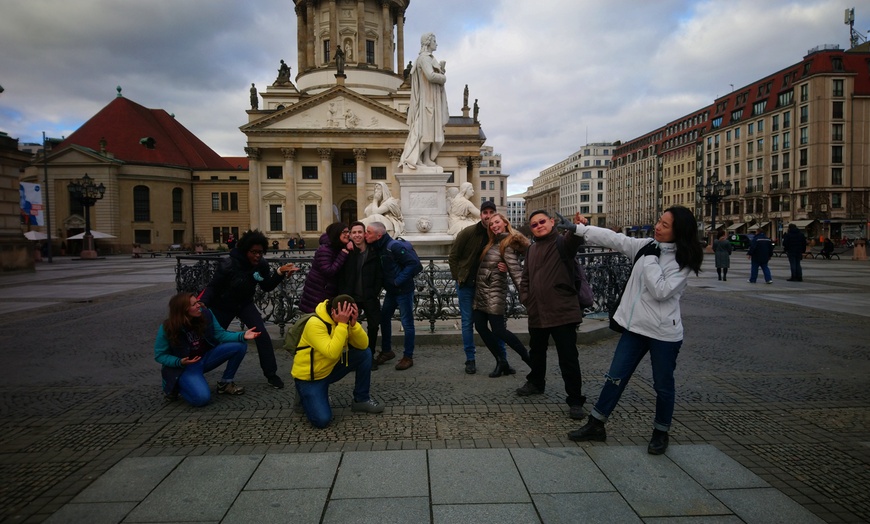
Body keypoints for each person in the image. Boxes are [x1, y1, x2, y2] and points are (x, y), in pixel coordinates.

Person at [564, 206, 704, 455]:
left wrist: (649, 259)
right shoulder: (647, 245)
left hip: (664, 334)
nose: (658, 227)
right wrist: (579, 229)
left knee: (663, 385)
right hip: (635, 328)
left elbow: (661, 291)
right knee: (615, 377)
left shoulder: (683, 261)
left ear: (679, 231)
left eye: (665, 225)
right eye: (659, 221)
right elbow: (615, 239)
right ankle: (597, 423)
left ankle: (661, 431)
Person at [200, 230, 299, 389]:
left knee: (262, 335)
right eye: (254, 252)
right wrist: (202, 302)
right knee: (210, 339)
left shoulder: (261, 265)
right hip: (222, 305)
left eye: (260, 252)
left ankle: (271, 374)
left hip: (244, 304)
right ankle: (191, 370)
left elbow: (266, 286)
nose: (258, 256)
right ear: (245, 250)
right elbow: (212, 287)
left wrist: (280, 272)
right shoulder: (229, 264)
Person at [516, 210, 587, 420]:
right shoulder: (531, 250)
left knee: (568, 358)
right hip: (537, 310)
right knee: (537, 351)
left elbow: (574, 240)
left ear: (552, 222)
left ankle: (575, 400)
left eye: (542, 222)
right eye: (534, 224)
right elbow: (526, 277)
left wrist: (577, 227)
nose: (538, 226)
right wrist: (526, 298)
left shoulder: (562, 242)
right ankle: (536, 382)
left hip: (562, 311)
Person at [292, 295, 384, 428]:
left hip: (329, 369)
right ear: (334, 312)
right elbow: (331, 352)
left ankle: (361, 399)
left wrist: (353, 325)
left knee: (365, 354)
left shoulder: (345, 322)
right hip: (311, 377)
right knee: (322, 420)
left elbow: (364, 345)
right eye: (346, 316)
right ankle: (302, 396)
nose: (347, 319)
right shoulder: (315, 323)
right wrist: (341, 324)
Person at [154, 292, 260, 406]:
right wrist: (179, 362)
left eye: (197, 302)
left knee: (239, 345)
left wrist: (242, 335)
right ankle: (176, 386)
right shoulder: (168, 327)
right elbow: (160, 355)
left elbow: (220, 334)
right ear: (183, 310)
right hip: (185, 367)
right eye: (194, 304)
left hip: (205, 358)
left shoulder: (206, 314)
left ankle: (225, 383)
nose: (199, 305)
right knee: (202, 399)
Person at [473, 213, 530, 377]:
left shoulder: (508, 243)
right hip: (482, 293)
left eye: (497, 222)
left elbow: (516, 273)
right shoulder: (493, 242)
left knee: (499, 330)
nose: (494, 226)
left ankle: (527, 358)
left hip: (495, 293)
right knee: (481, 327)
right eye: (491, 224)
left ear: (505, 222)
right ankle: (501, 361)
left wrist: (526, 296)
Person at [448, 200, 500, 374]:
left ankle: (502, 359)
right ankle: (470, 359)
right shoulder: (469, 232)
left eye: (491, 212)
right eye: (485, 212)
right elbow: (453, 256)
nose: (488, 215)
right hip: (467, 285)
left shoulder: (499, 234)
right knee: (467, 322)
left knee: (496, 323)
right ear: (481, 214)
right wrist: (458, 277)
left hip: (489, 286)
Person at [366, 221, 423, 371]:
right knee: (384, 318)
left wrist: (398, 281)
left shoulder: (393, 246)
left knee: (407, 323)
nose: (366, 235)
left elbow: (414, 264)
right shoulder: (378, 246)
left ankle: (408, 357)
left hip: (403, 290)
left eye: (368, 232)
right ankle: (386, 351)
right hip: (392, 291)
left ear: (378, 235)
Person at [398, 32, 448, 170]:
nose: (436, 43)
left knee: (430, 133)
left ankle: (425, 159)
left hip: (431, 99)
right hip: (427, 101)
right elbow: (430, 76)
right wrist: (443, 77)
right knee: (426, 133)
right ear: (428, 42)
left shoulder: (428, 58)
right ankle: (413, 158)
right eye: (434, 40)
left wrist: (441, 70)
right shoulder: (424, 59)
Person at [339, 221, 384, 368]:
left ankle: (369, 355)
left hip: (369, 296)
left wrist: (374, 291)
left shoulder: (374, 252)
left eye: (360, 232)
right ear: (350, 235)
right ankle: (354, 357)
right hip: (352, 296)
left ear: (364, 234)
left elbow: (379, 274)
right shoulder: (347, 252)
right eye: (354, 232)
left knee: (373, 326)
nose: (357, 235)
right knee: (351, 327)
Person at [299, 222, 351, 313]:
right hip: (317, 294)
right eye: (344, 232)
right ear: (336, 233)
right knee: (316, 321)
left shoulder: (337, 247)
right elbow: (328, 271)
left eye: (348, 231)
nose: (348, 234)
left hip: (326, 292)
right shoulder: (325, 249)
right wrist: (344, 253)